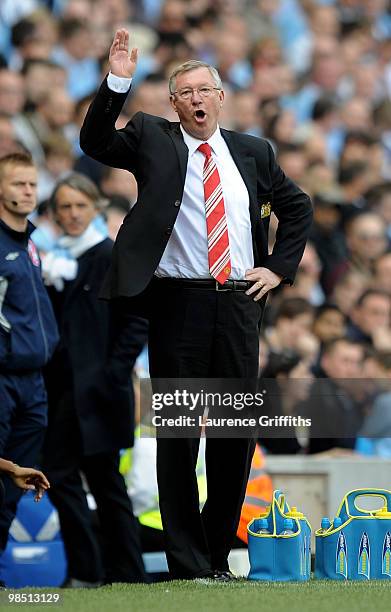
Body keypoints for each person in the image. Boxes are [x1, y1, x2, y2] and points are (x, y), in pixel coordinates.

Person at [80, 29, 312, 581]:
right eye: (186, 93)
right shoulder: (151, 137)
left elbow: (298, 208)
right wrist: (116, 81)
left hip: (238, 304)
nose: (197, 100)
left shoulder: (253, 151)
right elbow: (94, 142)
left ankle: (215, 557)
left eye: (205, 89)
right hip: (177, 304)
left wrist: (277, 269)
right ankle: (186, 563)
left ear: (221, 95)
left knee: (234, 437)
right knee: (180, 437)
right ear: (173, 104)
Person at [41, 173, 148, 587]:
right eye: (64, 207)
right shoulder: (56, 262)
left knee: (100, 482)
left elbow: (135, 322)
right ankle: (100, 570)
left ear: (95, 208)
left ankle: (114, 571)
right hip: (66, 391)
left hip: (98, 394)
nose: (71, 215)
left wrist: (111, 376)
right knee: (75, 477)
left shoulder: (107, 255)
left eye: (79, 206)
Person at [0, 152, 59, 560]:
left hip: (34, 380)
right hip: (3, 377)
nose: (27, 191)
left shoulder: (32, 243)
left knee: (14, 483)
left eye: (32, 184)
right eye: (18, 183)